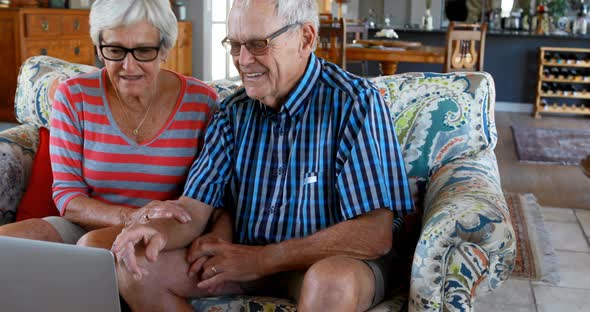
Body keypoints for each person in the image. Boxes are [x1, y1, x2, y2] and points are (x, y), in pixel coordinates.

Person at [112, 0, 414, 311]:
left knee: (331, 282)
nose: (242, 61)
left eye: (258, 44)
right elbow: (193, 211)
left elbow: (374, 234)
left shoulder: (354, 103)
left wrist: (262, 259)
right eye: (235, 45)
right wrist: (158, 231)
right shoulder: (232, 112)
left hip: (328, 262)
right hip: (245, 261)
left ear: (306, 38)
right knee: (136, 269)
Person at [0, 0, 219, 250]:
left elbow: (210, 196)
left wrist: (147, 223)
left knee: (89, 250)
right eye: (115, 50)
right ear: (98, 47)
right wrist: (129, 216)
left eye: (144, 51)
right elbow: (68, 197)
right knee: (6, 247)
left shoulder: (201, 103)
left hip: (161, 236)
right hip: (85, 227)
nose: (129, 66)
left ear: (165, 48)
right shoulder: (74, 96)